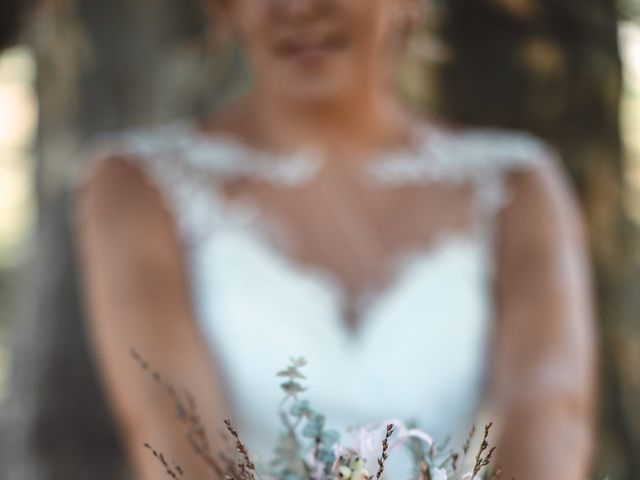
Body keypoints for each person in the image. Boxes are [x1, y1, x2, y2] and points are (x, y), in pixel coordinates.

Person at [73, 0, 597, 479]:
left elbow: (550, 415)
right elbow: (173, 438)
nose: (298, 8)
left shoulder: (516, 185)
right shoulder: (137, 188)